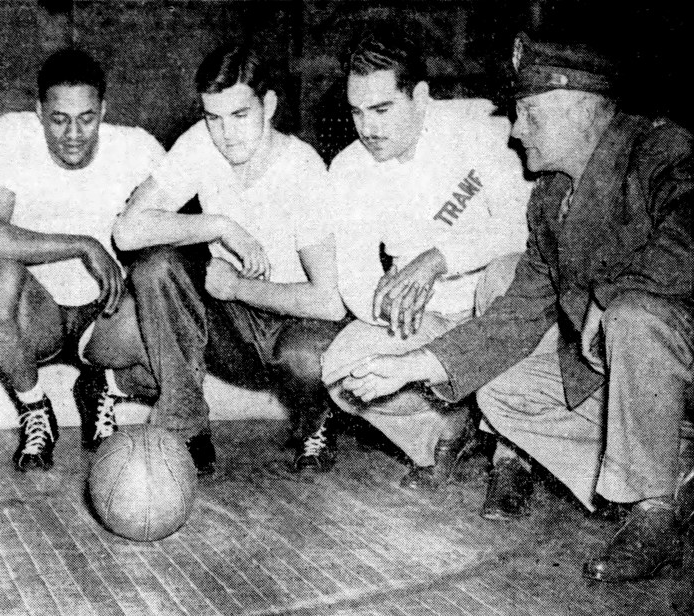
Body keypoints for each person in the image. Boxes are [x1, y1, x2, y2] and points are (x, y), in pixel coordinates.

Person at [341, 32, 693, 583]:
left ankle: (653, 512)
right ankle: (678, 477)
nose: (515, 129)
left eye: (529, 113)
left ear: (577, 109)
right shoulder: (552, 198)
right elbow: (519, 312)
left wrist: (613, 296)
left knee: (633, 315)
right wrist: (413, 365)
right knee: (504, 393)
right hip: (634, 375)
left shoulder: (662, 151)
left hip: (679, 358)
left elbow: (688, 238)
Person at [113, 42, 346, 476]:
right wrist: (219, 225)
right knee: (156, 268)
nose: (226, 133)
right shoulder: (201, 143)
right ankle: (186, 425)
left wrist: (238, 286)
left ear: (268, 105)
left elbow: (329, 302)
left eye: (240, 115)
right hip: (232, 328)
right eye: (213, 117)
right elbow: (127, 232)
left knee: (307, 358)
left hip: (296, 327)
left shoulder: (302, 168)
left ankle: (318, 421)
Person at [319, 26, 532, 493]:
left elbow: (524, 230)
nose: (368, 128)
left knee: (508, 273)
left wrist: (439, 257)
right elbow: (356, 277)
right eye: (357, 112)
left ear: (419, 96)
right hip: (428, 319)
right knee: (343, 372)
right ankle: (447, 428)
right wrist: (388, 307)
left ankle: (513, 455)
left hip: (494, 309)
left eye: (381, 109)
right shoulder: (350, 168)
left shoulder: (480, 127)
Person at [0, 48, 164, 471]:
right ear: (39, 112)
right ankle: (35, 408)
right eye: (59, 119)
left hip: (105, 313)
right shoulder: (10, 134)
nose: (73, 133)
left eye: (87, 118)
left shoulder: (137, 147)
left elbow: (176, 239)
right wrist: (82, 244)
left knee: (174, 351)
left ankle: (102, 387)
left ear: (104, 111)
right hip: (39, 313)